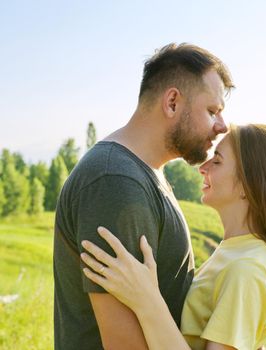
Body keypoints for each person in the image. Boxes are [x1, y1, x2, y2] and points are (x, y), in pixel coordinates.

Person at [53, 43, 234, 350]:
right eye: (212, 111)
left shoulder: (144, 173)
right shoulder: (115, 182)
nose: (222, 126)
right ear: (173, 102)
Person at [79, 124, 266, 350]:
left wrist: (146, 299)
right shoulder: (237, 252)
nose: (203, 167)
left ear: (249, 185)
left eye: (217, 161)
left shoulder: (249, 268)